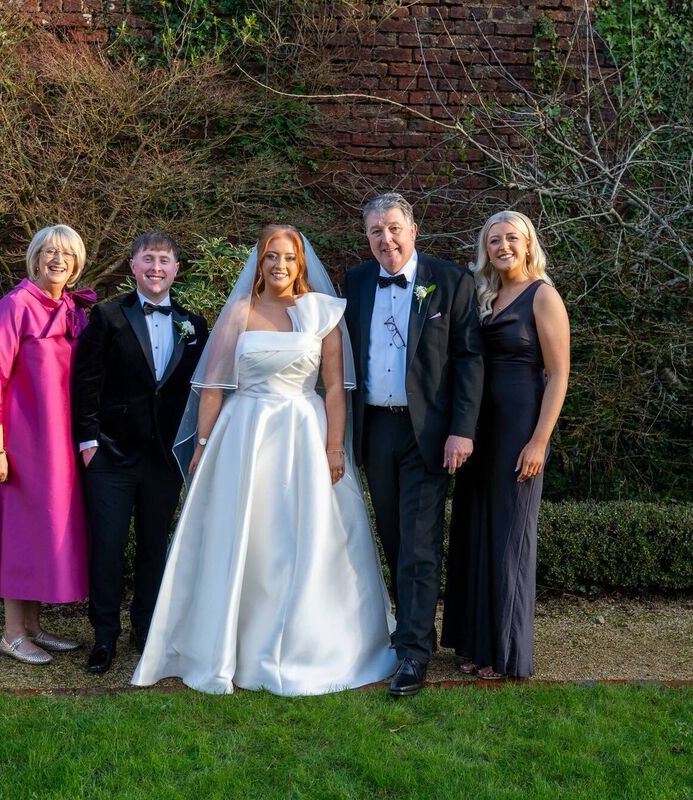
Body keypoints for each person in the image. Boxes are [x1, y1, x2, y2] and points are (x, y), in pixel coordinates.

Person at [132, 224, 397, 696]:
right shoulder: (240, 310)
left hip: (302, 432)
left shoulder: (323, 313)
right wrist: (203, 444)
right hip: (244, 435)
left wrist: (336, 445)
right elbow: (213, 386)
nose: (280, 265)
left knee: (304, 537)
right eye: (272, 256)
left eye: (290, 258)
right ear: (260, 261)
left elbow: (335, 387)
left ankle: (310, 645)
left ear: (301, 263)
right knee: (244, 539)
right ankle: (230, 643)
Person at [343, 193, 484, 697]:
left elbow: (469, 361)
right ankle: (410, 630)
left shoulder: (451, 281)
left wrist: (462, 428)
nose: (387, 239)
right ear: (368, 238)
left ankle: (413, 654)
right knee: (393, 536)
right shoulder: (357, 282)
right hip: (375, 429)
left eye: (395, 228)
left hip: (429, 433)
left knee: (420, 543)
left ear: (414, 229)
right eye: (376, 231)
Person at [442, 210, 570, 679]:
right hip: (480, 432)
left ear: (528, 244)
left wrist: (539, 440)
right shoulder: (485, 296)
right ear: (485, 250)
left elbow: (558, 376)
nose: (503, 247)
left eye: (511, 239)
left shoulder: (543, 296)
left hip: (520, 431)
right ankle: (476, 645)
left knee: (510, 540)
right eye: (494, 241)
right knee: (476, 533)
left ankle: (507, 653)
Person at [74, 232, 209, 674]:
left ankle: (146, 628)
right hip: (110, 455)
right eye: (147, 259)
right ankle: (104, 637)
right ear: (133, 266)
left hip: (164, 458)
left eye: (164, 260)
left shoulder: (195, 325)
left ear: (175, 269)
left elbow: (202, 390)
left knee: (155, 547)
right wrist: (89, 443)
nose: (156, 267)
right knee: (108, 547)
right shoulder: (108, 316)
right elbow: (86, 382)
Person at [0, 224, 96, 664]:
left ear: (77, 263)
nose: (58, 260)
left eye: (67, 254)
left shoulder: (71, 311)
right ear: (36, 257)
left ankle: (34, 628)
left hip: (59, 444)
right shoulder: (14, 306)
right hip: (21, 444)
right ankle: (11, 633)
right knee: (22, 534)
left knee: (46, 530)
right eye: (50, 252)